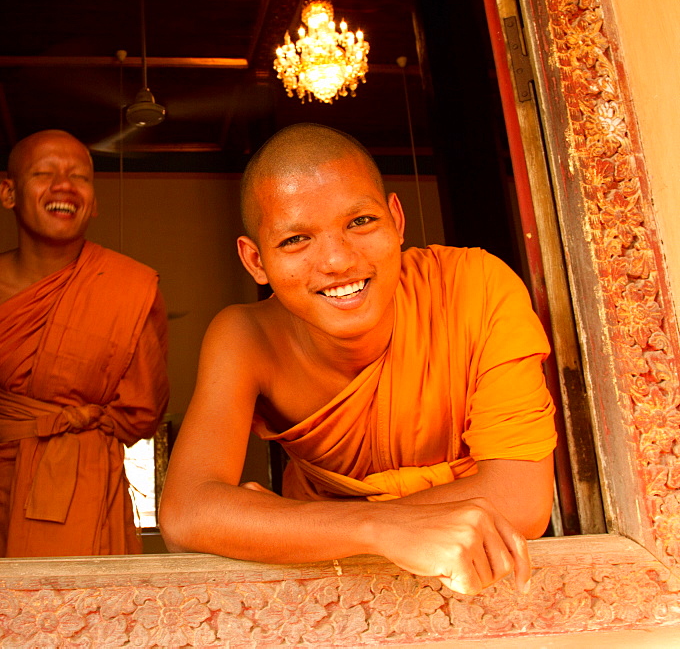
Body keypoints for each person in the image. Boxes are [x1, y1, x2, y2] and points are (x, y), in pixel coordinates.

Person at [158, 123, 556, 596]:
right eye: (295, 240)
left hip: (477, 570)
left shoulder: (477, 289)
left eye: (360, 222)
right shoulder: (246, 337)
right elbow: (186, 513)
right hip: (326, 584)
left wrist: (281, 525)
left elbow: (524, 500)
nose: (338, 261)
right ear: (255, 261)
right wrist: (379, 529)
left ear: (396, 218)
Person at [0, 129, 169, 558]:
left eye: (79, 177)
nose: (64, 186)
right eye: (44, 173)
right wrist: (30, 424)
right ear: (8, 193)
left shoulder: (131, 288)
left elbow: (143, 412)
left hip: (90, 487)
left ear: (94, 201)